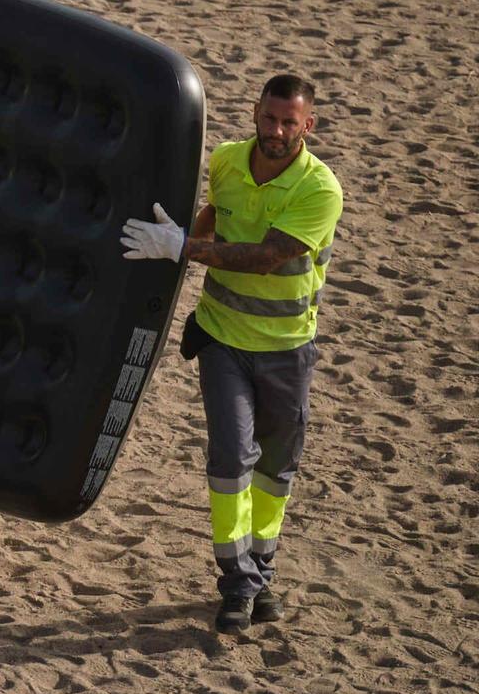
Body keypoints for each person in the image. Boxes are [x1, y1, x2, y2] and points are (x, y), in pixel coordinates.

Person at [120, 73, 343, 634]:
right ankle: (237, 583)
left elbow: (268, 257)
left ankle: (261, 569)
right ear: (254, 112)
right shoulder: (223, 160)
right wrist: (183, 239)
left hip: (288, 351)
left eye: (289, 122)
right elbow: (212, 219)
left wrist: (183, 250)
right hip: (221, 340)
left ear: (308, 125)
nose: (276, 131)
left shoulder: (320, 190)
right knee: (229, 458)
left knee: (275, 468)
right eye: (269, 118)